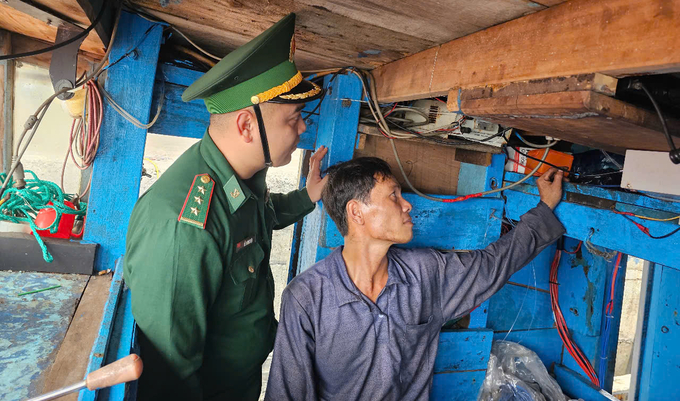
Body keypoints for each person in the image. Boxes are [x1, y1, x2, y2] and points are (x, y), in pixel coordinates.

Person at [123, 13, 327, 400]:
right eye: (294, 118)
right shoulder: (184, 227)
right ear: (247, 126)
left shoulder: (241, 178)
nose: (302, 129)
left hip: (242, 381)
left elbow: (257, 220)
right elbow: (171, 378)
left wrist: (308, 196)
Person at [265, 157, 566, 400]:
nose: (407, 205)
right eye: (393, 196)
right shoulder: (306, 297)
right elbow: (288, 393)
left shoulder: (426, 273)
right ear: (356, 212)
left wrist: (544, 209)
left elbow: (493, 264)